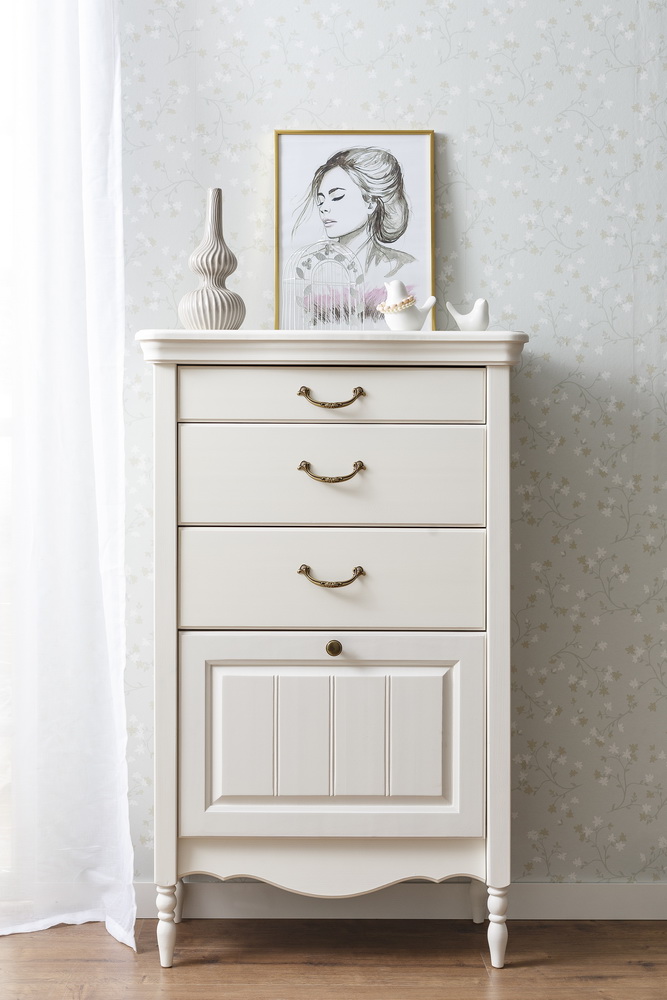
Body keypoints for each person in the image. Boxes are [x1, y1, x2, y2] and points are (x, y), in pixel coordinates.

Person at [283, 146, 417, 327]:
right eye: (320, 200)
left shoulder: (404, 266)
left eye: (337, 197)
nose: (324, 208)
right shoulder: (312, 268)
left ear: (370, 203)